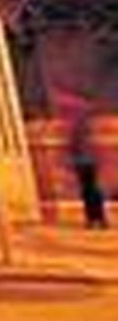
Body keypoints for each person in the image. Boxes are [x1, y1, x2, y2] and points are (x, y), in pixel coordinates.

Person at [68, 94, 109, 229]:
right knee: (91, 191)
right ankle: (97, 218)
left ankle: (95, 218)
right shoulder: (83, 125)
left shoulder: (80, 126)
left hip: (85, 161)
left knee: (90, 191)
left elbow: (79, 145)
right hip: (86, 161)